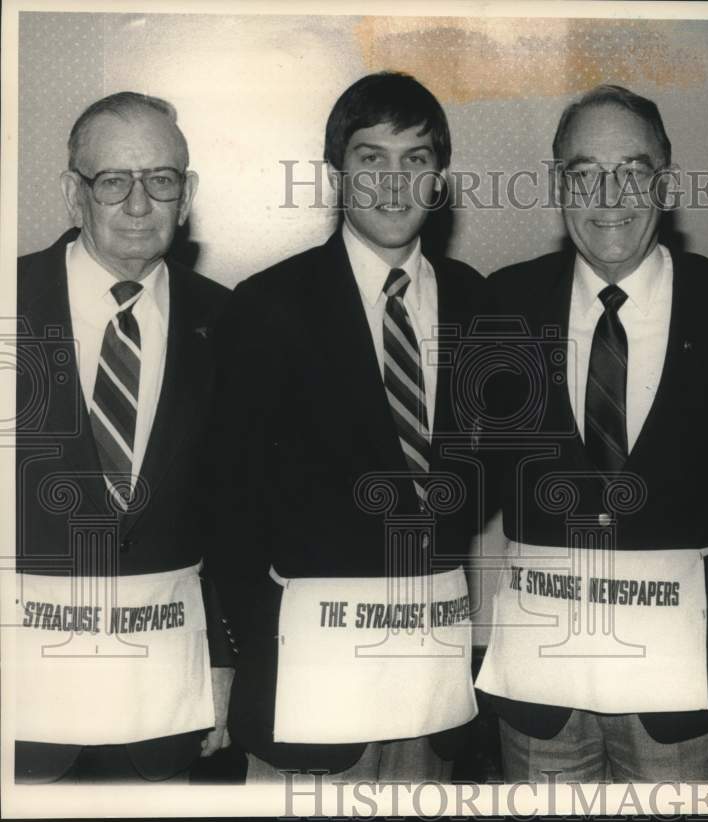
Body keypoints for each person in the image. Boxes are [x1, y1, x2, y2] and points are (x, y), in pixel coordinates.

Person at [207, 72, 484, 782]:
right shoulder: (266, 307)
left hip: (433, 690)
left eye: (415, 160)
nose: (394, 184)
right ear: (337, 174)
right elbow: (227, 508)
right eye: (371, 159)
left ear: (439, 178)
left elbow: (495, 473)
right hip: (310, 698)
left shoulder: (481, 303)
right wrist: (246, 655)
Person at [473, 85, 708, 783]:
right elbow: (466, 485)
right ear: (558, 186)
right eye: (585, 172)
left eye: (633, 169)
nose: (610, 194)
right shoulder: (503, 303)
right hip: (541, 692)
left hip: (681, 697)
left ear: (669, 182)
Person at [15, 92, 235, 783]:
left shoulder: (229, 323)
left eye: (161, 180)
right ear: (73, 194)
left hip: (163, 705)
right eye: (113, 181)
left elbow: (238, 513)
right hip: (20, 708)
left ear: (187, 193)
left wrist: (226, 659)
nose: (139, 204)